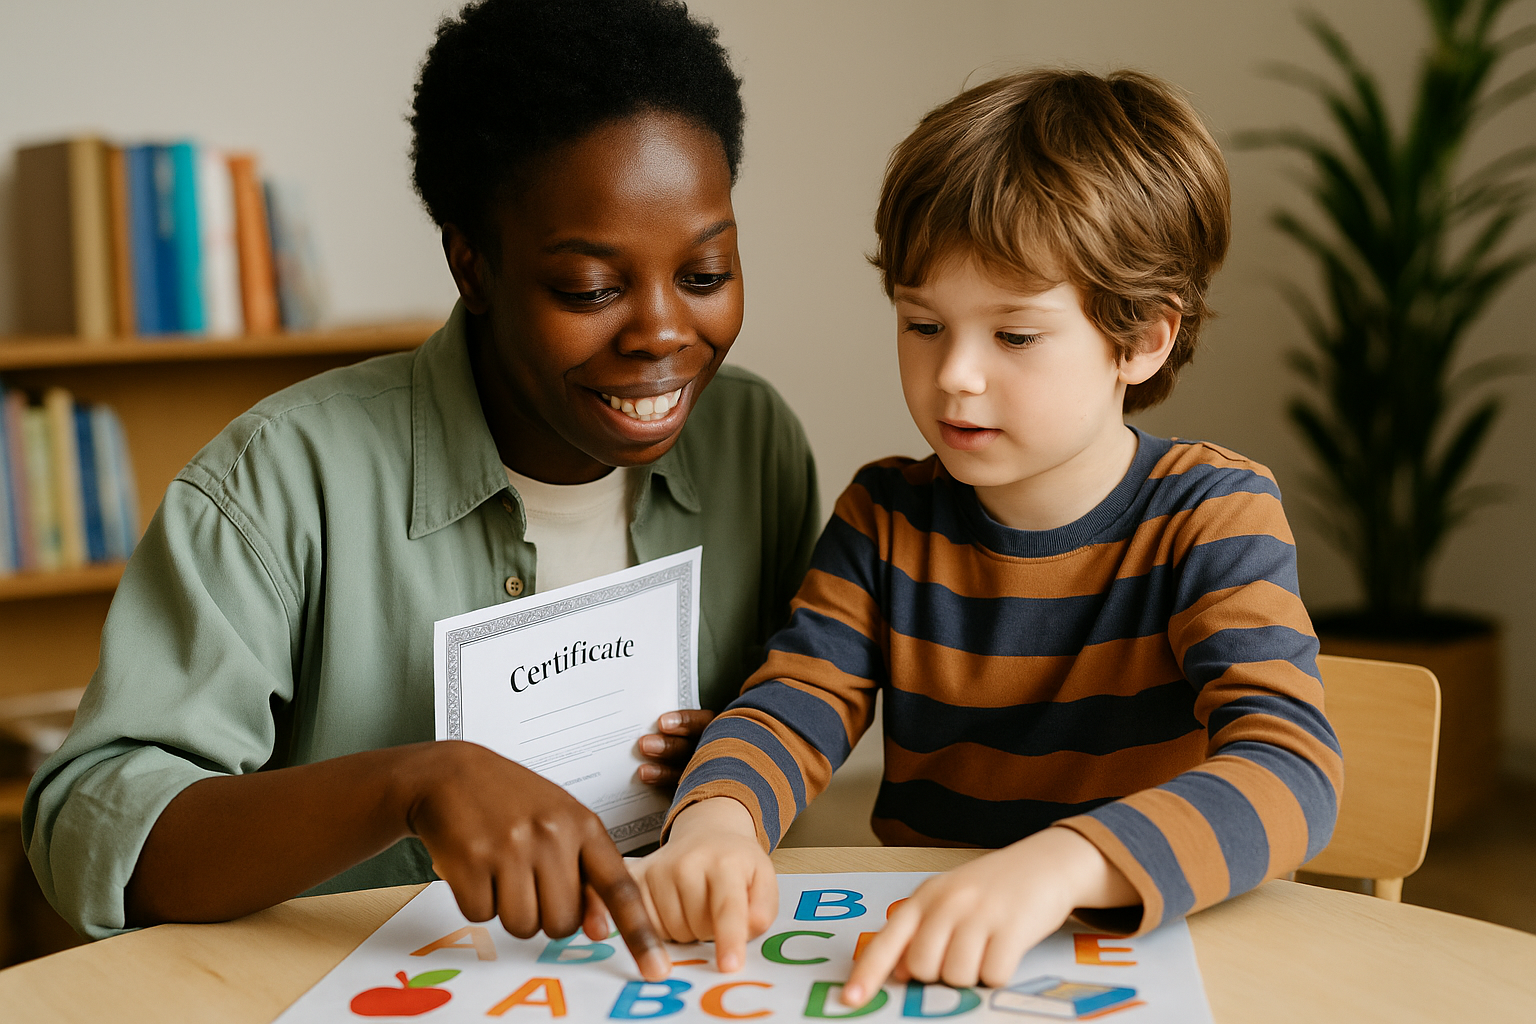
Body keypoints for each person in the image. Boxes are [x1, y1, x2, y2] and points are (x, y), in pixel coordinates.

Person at [23, 0, 819, 982]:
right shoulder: (280, 480)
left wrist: (734, 762)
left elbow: (808, 700)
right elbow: (89, 831)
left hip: (655, 983)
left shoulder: (754, 445)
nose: (662, 331)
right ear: (471, 265)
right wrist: (404, 785)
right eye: (589, 288)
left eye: (706, 271)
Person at [638, 68, 1343, 999]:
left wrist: (1060, 865)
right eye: (924, 323)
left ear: (1142, 339)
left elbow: (1291, 768)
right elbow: (793, 701)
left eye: (1014, 336)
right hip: (930, 971)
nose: (956, 375)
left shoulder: (1214, 514)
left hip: (1152, 955)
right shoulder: (885, 516)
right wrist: (717, 818)